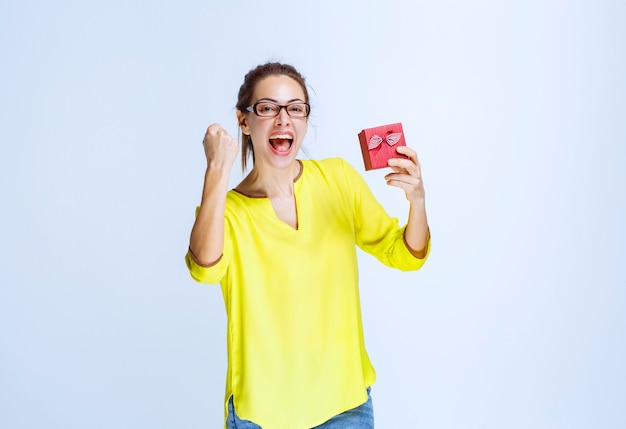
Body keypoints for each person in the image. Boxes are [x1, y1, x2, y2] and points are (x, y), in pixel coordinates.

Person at [185, 62, 430, 429]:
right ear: (244, 121)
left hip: (346, 406)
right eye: (268, 108)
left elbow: (404, 255)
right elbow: (204, 270)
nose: (283, 119)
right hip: (261, 414)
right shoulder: (228, 211)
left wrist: (418, 201)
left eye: (295, 108)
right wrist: (217, 170)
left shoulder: (338, 180)